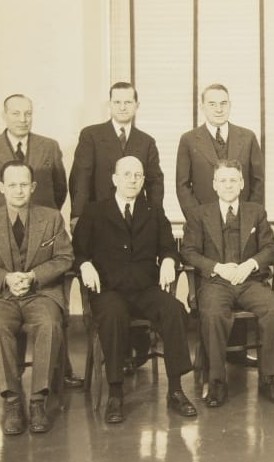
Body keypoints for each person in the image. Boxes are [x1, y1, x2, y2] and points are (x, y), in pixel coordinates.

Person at [73, 156, 197, 424]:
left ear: (143, 181)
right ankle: (116, 393)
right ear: (115, 179)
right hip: (109, 289)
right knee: (113, 315)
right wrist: (84, 265)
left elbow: (168, 247)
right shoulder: (95, 211)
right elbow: (78, 251)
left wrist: (169, 260)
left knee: (174, 309)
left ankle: (176, 389)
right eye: (127, 174)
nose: (132, 180)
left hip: (144, 288)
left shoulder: (153, 212)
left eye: (138, 175)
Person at [0, 160, 73, 436]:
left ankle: (37, 401)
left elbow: (65, 258)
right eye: (12, 185)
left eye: (24, 184)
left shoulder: (52, 218)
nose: (19, 190)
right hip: (0, 296)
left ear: (33, 187)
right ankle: (12, 401)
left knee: (49, 324)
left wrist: (33, 276)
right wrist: (5, 278)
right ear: (1, 188)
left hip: (40, 293)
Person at [180, 161, 274, 407]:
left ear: (241, 183)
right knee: (213, 313)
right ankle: (217, 380)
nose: (228, 185)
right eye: (223, 180)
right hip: (216, 282)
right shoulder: (199, 214)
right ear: (214, 185)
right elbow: (188, 251)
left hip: (249, 281)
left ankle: (270, 378)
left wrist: (250, 264)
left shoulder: (256, 212)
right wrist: (218, 267)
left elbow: (271, 248)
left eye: (233, 180)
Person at [70, 82, 164, 218]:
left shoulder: (147, 141)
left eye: (128, 102)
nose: (122, 107)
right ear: (109, 104)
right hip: (99, 216)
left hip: (135, 218)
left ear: (137, 105)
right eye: (117, 102)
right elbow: (80, 180)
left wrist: (156, 218)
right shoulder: (91, 135)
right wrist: (77, 217)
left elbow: (155, 185)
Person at [0, 93, 67, 216]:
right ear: (4, 116)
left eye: (28, 114)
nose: (23, 120)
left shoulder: (50, 147)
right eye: (16, 114)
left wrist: (46, 219)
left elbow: (60, 190)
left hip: (42, 222)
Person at [175, 83, 265, 217]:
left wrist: (249, 217)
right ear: (202, 107)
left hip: (243, 220)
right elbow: (183, 186)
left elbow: (258, 183)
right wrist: (198, 219)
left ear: (230, 105)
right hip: (203, 222)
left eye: (223, 103)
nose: (219, 109)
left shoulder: (248, 137)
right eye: (212, 104)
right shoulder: (188, 140)